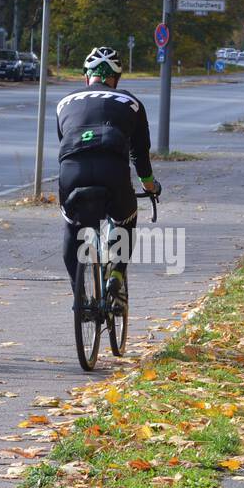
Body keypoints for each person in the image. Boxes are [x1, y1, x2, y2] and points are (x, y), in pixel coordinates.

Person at [55, 46, 159, 310]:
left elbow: (65, 142)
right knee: (126, 217)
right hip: (112, 171)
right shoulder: (131, 102)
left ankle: (79, 296)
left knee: (72, 226)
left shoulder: (64, 102)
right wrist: (150, 185)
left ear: (86, 77)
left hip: (72, 171)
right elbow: (140, 156)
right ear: (116, 79)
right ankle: (116, 274)